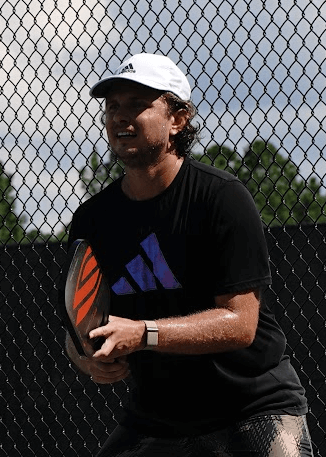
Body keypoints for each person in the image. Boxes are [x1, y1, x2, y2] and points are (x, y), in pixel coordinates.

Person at [64, 53, 314, 456]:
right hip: (156, 418)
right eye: (112, 106)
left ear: (177, 119)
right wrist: (87, 359)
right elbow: (78, 327)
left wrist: (143, 333)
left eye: (137, 105)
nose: (119, 117)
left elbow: (240, 323)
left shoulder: (221, 198)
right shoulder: (93, 219)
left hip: (252, 406)